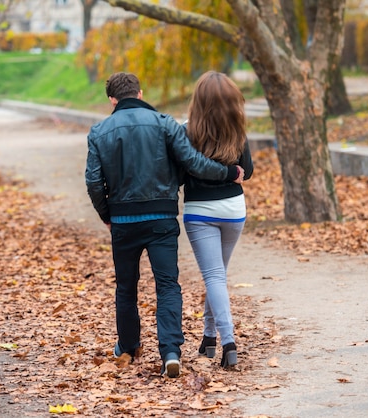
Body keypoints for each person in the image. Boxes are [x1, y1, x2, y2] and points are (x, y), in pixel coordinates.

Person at [85, 72, 244, 378]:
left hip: (123, 221)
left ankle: (129, 348)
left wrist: (107, 214)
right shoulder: (165, 123)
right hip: (161, 219)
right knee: (167, 285)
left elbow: (93, 181)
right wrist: (227, 173)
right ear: (140, 93)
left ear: (112, 101)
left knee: (126, 286)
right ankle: (170, 351)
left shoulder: (99, 131)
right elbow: (193, 162)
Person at [182, 71, 254, 369]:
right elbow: (246, 172)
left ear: (198, 101)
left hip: (200, 211)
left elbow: (181, 172)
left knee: (214, 277)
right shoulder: (237, 129)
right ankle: (209, 337)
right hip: (234, 211)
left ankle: (228, 342)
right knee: (218, 276)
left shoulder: (185, 131)